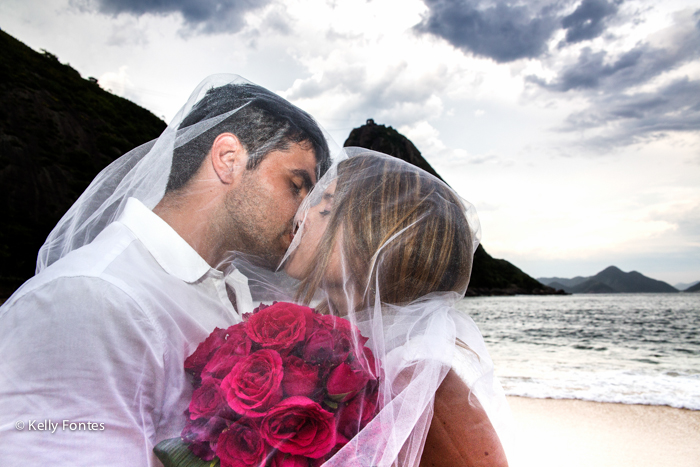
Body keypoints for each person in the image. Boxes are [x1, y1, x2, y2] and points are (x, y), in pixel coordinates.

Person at [0, 74, 331, 466]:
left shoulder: (235, 289)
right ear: (229, 159)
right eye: (297, 185)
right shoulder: (93, 296)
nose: (304, 216)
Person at [279, 148, 512, 466]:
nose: (301, 214)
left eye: (325, 210)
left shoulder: (417, 376)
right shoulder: (326, 342)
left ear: (377, 239)